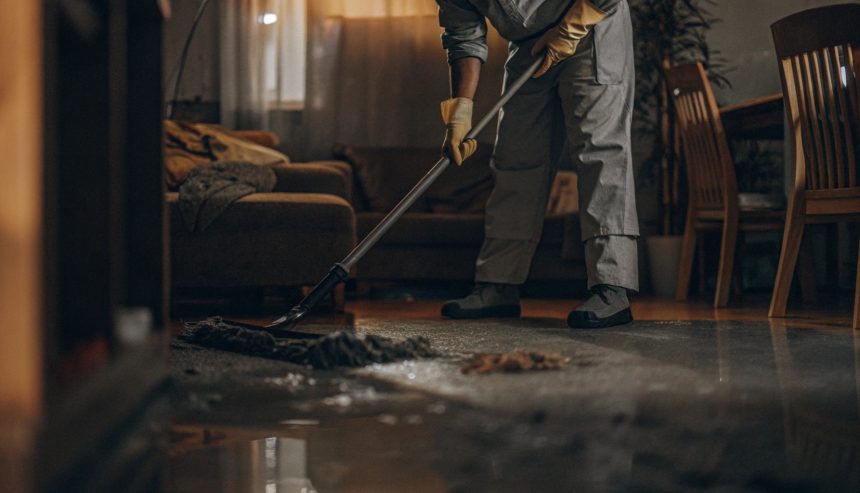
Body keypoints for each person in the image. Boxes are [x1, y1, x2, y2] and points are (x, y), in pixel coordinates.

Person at [436, 0, 639, 328]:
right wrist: (461, 109)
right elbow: (464, 36)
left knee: (599, 154)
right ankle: (498, 284)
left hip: (591, 24)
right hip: (528, 46)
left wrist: (570, 28)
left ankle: (612, 286)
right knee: (515, 160)